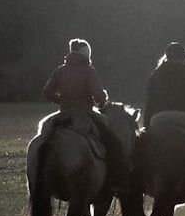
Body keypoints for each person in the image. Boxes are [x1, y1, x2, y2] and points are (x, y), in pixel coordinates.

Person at [42, 38, 127, 191]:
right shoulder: (88, 70)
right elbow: (99, 96)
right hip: (85, 114)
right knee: (112, 141)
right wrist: (102, 101)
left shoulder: (59, 70)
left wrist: (62, 100)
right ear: (86, 53)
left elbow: (47, 93)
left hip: (64, 113)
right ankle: (115, 180)